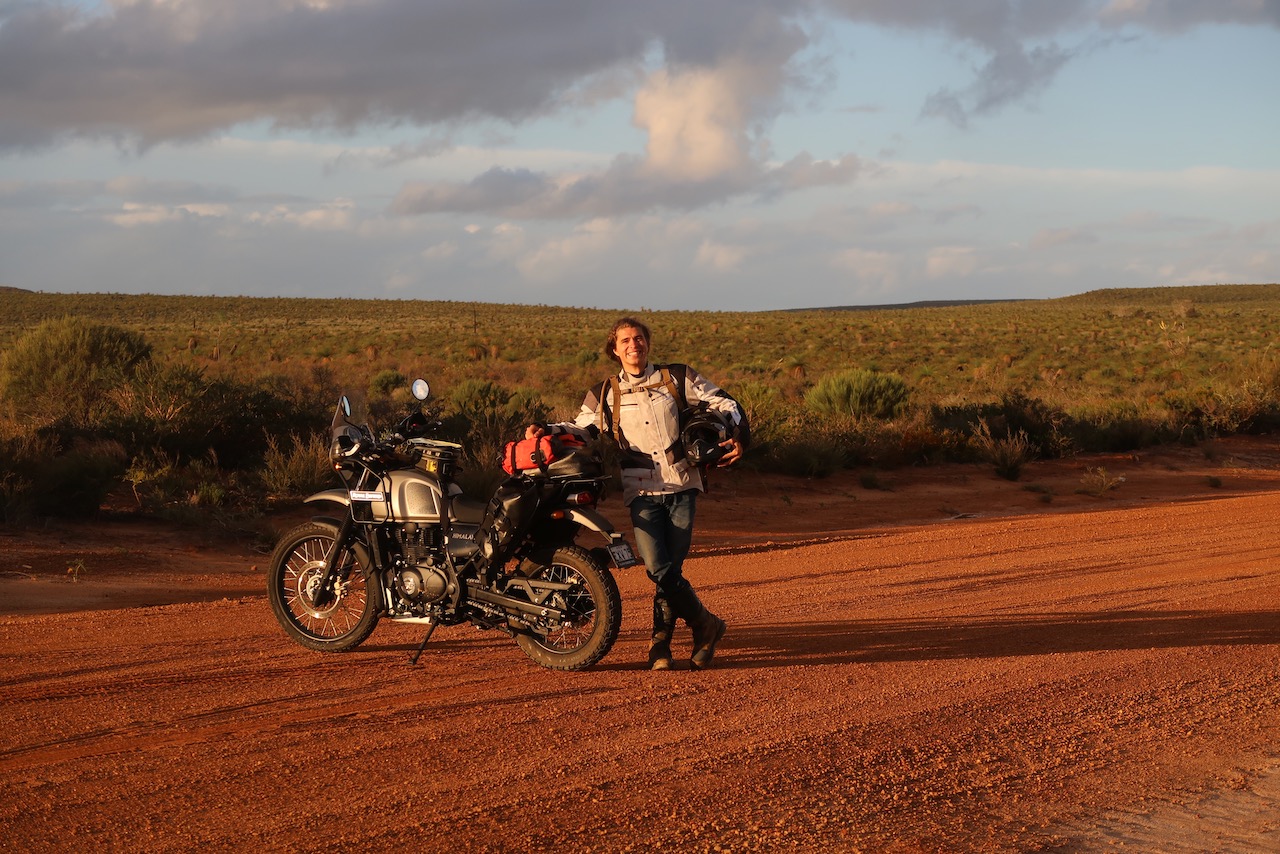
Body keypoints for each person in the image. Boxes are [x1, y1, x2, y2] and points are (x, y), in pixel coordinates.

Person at [525, 317, 747, 671]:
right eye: (626, 340)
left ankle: (660, 644)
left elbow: (726, 404)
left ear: (648, 343)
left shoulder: (676, 378)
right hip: (641, 489)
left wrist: (735, 436)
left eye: (639, 338)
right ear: (614, 349)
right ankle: (706, 624)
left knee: (669, 569)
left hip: (683, 484)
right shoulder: (605, 393)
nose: (634, 345)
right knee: (658, 567)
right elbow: (579, 429)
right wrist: (546, 431)